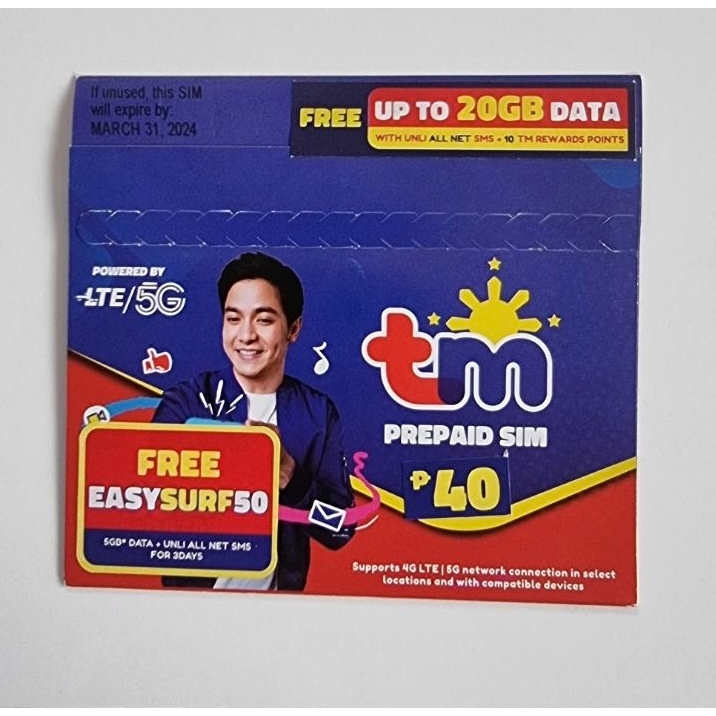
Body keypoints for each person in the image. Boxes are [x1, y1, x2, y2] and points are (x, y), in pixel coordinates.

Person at [153, 252, 355, 591]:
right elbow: (149, 507)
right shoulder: (185, 403)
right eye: (233, 319)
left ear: (293, 329)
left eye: (263, 320)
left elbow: (340, 529)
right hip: (191, 603)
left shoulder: (317, 413)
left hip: (279, 609)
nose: (245, 335)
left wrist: (292, 478)